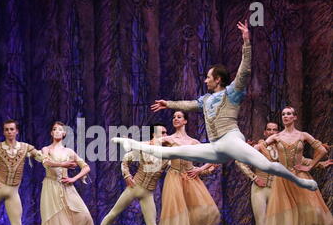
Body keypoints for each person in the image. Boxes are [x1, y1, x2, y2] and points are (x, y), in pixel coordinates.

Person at [112, 21, 318, 192]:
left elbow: (244, 72)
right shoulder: (206, 99)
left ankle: (301, 182)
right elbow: (191, 104)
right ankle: (133, 145)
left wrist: (246, 42)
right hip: (217, 146)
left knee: (266, 166)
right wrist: (169, 104)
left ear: (217, 79)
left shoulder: (231, 93)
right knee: (171, 153)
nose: (205, 81)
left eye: (208, 78)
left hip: (230, 139)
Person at [82, 123, 170, 225]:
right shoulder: (144, 147)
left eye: (166, 132)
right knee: (113, 214)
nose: (166, 134)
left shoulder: (167, 153)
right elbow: (126, 159)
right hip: (134, 187)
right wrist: (127, 175)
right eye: (163, 132)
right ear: (154, 134)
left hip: (148, 193)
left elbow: (175, 168)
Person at [236, 122, 332, 225]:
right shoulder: (258, 146)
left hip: (278, 188)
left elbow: (302, 161)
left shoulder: (283, 147)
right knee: (261, 224)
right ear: (265, 132)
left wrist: (321, 164)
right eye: (268, 129)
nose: (271, 132)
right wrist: (254, 177)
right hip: (260, 188)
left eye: (274, 129)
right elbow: (239, 161)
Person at [257, 107, 333, 225]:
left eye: (289, 114)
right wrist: (251, 148)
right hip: (283, 179)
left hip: (300, 177)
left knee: (312, 211)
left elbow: (321, 150)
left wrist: (310, 166)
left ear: (295, 117)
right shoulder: (276, 137)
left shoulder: (302, 135)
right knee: (279, 214)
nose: (285, 116)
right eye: (283, 114)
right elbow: (257, 149)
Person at [158, 111, 220, 225]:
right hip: (173, 178)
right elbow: (149, 145)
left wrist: (200, 169)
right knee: (172, 216)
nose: (175, 119)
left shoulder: (193, 142)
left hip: (190, 178)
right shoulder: (168, 139)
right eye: (173, 117)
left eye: (179, 117)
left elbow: (214, 157)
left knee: (202, 210)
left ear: (185, 121)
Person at [36, 122, 95, 225]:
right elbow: (46, 162)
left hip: (67, 187)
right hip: (50, 187)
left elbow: (86, 167)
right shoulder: (46, 149)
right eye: (54, 129)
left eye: (60, 129)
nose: (57, 131)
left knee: (85, 218)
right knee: (48, 221)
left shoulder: (69, 151)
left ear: (64, 134)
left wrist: (73, 179)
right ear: (51, 133)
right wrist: (63, 164)